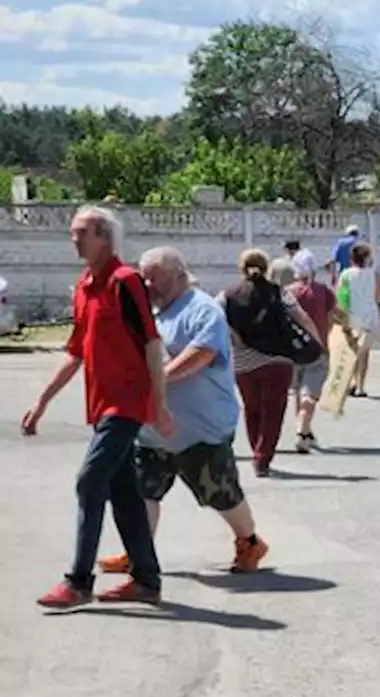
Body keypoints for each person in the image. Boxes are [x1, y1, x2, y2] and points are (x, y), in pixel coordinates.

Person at [25, 204, 171, 609]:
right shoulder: (85, 286)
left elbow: (152, 343)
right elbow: (75, 353)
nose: (74, 239)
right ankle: (146, 579)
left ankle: (78, 581)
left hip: (125, 406)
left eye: (82, 233)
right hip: (100, 406)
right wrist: (41, 403)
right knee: (124, 493)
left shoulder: (126, 282)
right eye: (73, 233)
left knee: (90, 481)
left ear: (105, 238)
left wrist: (158, 402)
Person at [96, 246, 270, 576]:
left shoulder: (203, 309)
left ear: (179, 274)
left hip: (200, 429)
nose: (147, 286)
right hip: (153, 429)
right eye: (143, 278)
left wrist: (157, 380)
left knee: (221, 494)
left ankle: (249, 541)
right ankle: (138, 553)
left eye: (154, 278)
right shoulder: (152, 312)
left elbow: (201, 353)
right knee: (143, 491)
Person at [221, 248, 322, 476]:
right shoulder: (279, 293)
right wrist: (317, 342)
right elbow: (301, 317)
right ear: (267, 268)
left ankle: (257, 448)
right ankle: (262, 458)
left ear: (241, 268)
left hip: (244, 362)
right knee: (273, 411)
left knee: (252, 409)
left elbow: (215, 318)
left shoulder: (228, 294)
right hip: (278, 360)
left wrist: (235, 338)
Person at [287, 250, 342, 453]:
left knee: (298, 391)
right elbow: (333, 315)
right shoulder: (323, 292)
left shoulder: (288, 292)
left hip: (292, 350)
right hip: (317, 348)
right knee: (309, 393)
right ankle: (302, 432)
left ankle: (305, 429)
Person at [336, 242, 380, 397]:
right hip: (370, 316)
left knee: (353, 350)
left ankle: (351, 382)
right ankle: (359, 385)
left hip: (352, 315)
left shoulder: (345, 274)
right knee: (364, 353)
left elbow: (341, 296)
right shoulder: (374, 274)